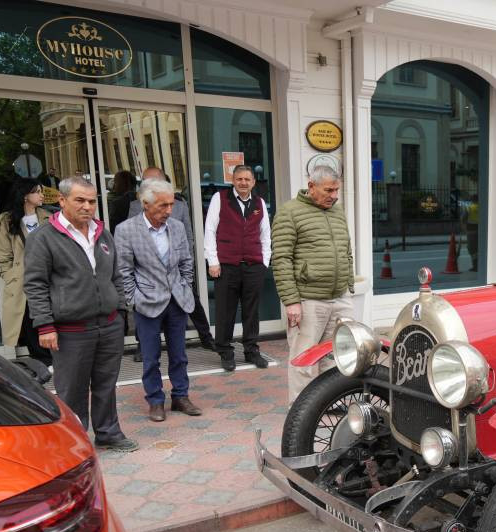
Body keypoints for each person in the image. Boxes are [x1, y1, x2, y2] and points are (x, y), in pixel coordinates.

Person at [23, 175, 137, 452]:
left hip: (108, 324)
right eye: (80, 200)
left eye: (92, 201)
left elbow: (116, 275)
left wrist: (121, 310)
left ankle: (108, 432)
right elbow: (35, 284)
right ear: (62, 201)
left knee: (106, 384)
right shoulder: (43, 237)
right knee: (72, 389)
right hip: (70, 330)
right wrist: (45, 325)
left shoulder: (102, 232)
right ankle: (75, 440)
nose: (87, 206)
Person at [116, 179, 203, 422]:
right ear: (145, 203)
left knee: (179, 354)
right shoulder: (126, 230)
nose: (169, 210)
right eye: (163, 205)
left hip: (176, 300)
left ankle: (180, 396)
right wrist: (134, 298)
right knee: (150, 356)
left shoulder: (176, 227)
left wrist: (185, 286)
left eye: (171, 204)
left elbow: (186, 261)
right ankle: (155, 400)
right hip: (147, 302)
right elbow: (123, 270)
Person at [271, 164, 354, 401]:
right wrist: (291, 301)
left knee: (336, 356)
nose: (334, 196)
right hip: (308, 300)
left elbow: (346, 250)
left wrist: (348, 283)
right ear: (311, 186)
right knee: (304, 360)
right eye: (329, 190)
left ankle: (329, 403)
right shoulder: (289, 212)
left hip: (340, 297)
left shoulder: (337, 212)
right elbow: (281, 259)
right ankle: (300, 411)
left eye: (337, 190)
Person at [127, 166, 215, 352]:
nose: (146, 185)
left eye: (151, 181)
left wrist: (185, 273)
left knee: (191, 301)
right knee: (144, 312)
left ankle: (206, 337)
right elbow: (131, 239)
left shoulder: (180, 205)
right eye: (144, 181)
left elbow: (188, 237)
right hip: (148, 273)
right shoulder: (135, 206)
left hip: (175, 271)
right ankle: (143, 346)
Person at [204, 164, 272, 371]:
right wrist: (213, 261)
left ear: (253, 182)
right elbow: (210, 230)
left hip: (253, 265)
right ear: (233, 180)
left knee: (251, 311)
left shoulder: (259, 202)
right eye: (239, 179)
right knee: (225, 310)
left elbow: (265, 234)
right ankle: (225, 351)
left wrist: (264, 262)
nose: (243, 183)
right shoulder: (220, 199)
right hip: (226, 265)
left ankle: (251, 350)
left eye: (247, 179)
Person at [0, 179, 53, 367]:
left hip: (49, 276)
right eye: (37, 191)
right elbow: (2, 253)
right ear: (25, 195)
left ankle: (56, 356)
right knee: (28, 318)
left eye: (41, 191)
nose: (42, 195)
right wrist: (10, 275)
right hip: (23, 278)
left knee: (51, 313)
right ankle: (42, 359)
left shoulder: (49, 217)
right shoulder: (5, 220)